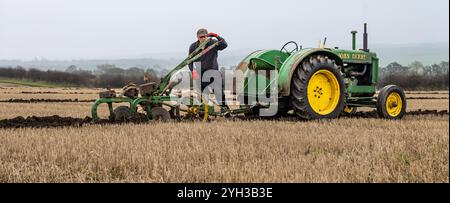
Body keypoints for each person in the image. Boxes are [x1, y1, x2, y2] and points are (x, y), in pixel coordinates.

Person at [188, 28, 229, 111]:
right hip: (200, 74)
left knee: (219, 94)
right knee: (202, 96)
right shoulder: (193, 47)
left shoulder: (213, 43)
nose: (203, 38)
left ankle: (226, 111)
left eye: (204, 36)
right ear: (197, 37)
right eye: (201, 37)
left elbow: (224, 45)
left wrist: (217, 36)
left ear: (207, 36)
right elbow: (189, 61)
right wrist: (193, 71)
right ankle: (204, 113)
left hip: (213, 72)